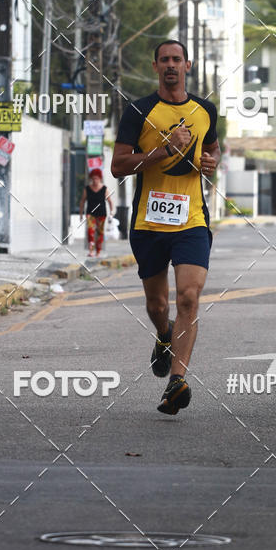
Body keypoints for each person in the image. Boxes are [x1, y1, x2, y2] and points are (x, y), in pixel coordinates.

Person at [111, 40, 220, 415]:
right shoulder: (139, 110)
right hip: (149, 222)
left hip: (191, 219)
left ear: (187, 65)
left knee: (189, 297)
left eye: (177, 60)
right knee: (158, 305)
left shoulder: (205, 110)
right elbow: (119, 166)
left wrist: (210, 162)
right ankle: (163, 335)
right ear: (155, 66)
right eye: (165, 60)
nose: (171, 65)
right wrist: (163, 150)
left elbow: (214, 148)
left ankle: (177, 382)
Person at [79, 169, 114, 257]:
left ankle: (98, 251)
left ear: (100, 178)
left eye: (97, 178)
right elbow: (82, 201)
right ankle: (91, 251)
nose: (95, 180)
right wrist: (80, 214)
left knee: (100, 232)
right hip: (90, 213)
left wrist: (111, 212)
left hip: (102, 213)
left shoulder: (104, 189)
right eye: (93, 178)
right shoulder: (87, 189)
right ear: (91, 178)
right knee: (90, 231)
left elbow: (110, 201)